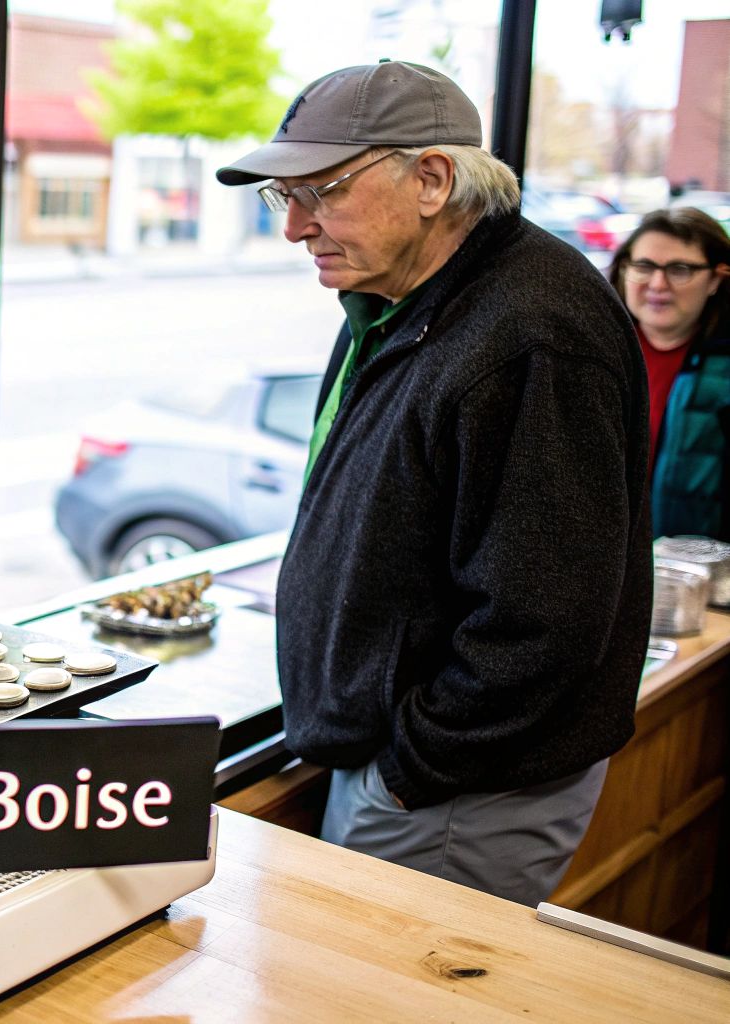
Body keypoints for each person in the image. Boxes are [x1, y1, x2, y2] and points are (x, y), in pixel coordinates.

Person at [216, 61, 651, 906]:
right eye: (282, 196)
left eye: (323, 192)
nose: (296, 228)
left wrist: (411, 767)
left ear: (433, 178)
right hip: (412, 764)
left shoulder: (531, 334)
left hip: (461, 791)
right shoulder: (399, 294)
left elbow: (544, 622)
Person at [611, 208, 730, 538]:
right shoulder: (593, 351)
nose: (658, 284)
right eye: (644, 266)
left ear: (716, 280)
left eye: (680, 269)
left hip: (698, 574)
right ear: (623, 270)